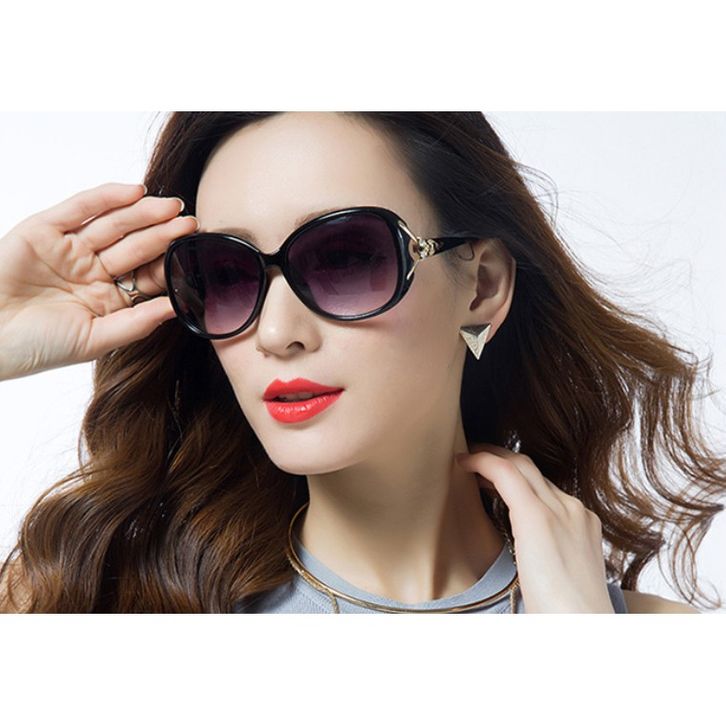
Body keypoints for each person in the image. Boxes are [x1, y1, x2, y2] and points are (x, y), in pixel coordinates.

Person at [0, 112, 719, 613]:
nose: (276, 333)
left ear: (481, 286)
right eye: (225, 273)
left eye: (344, 260)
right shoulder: (93, 600)